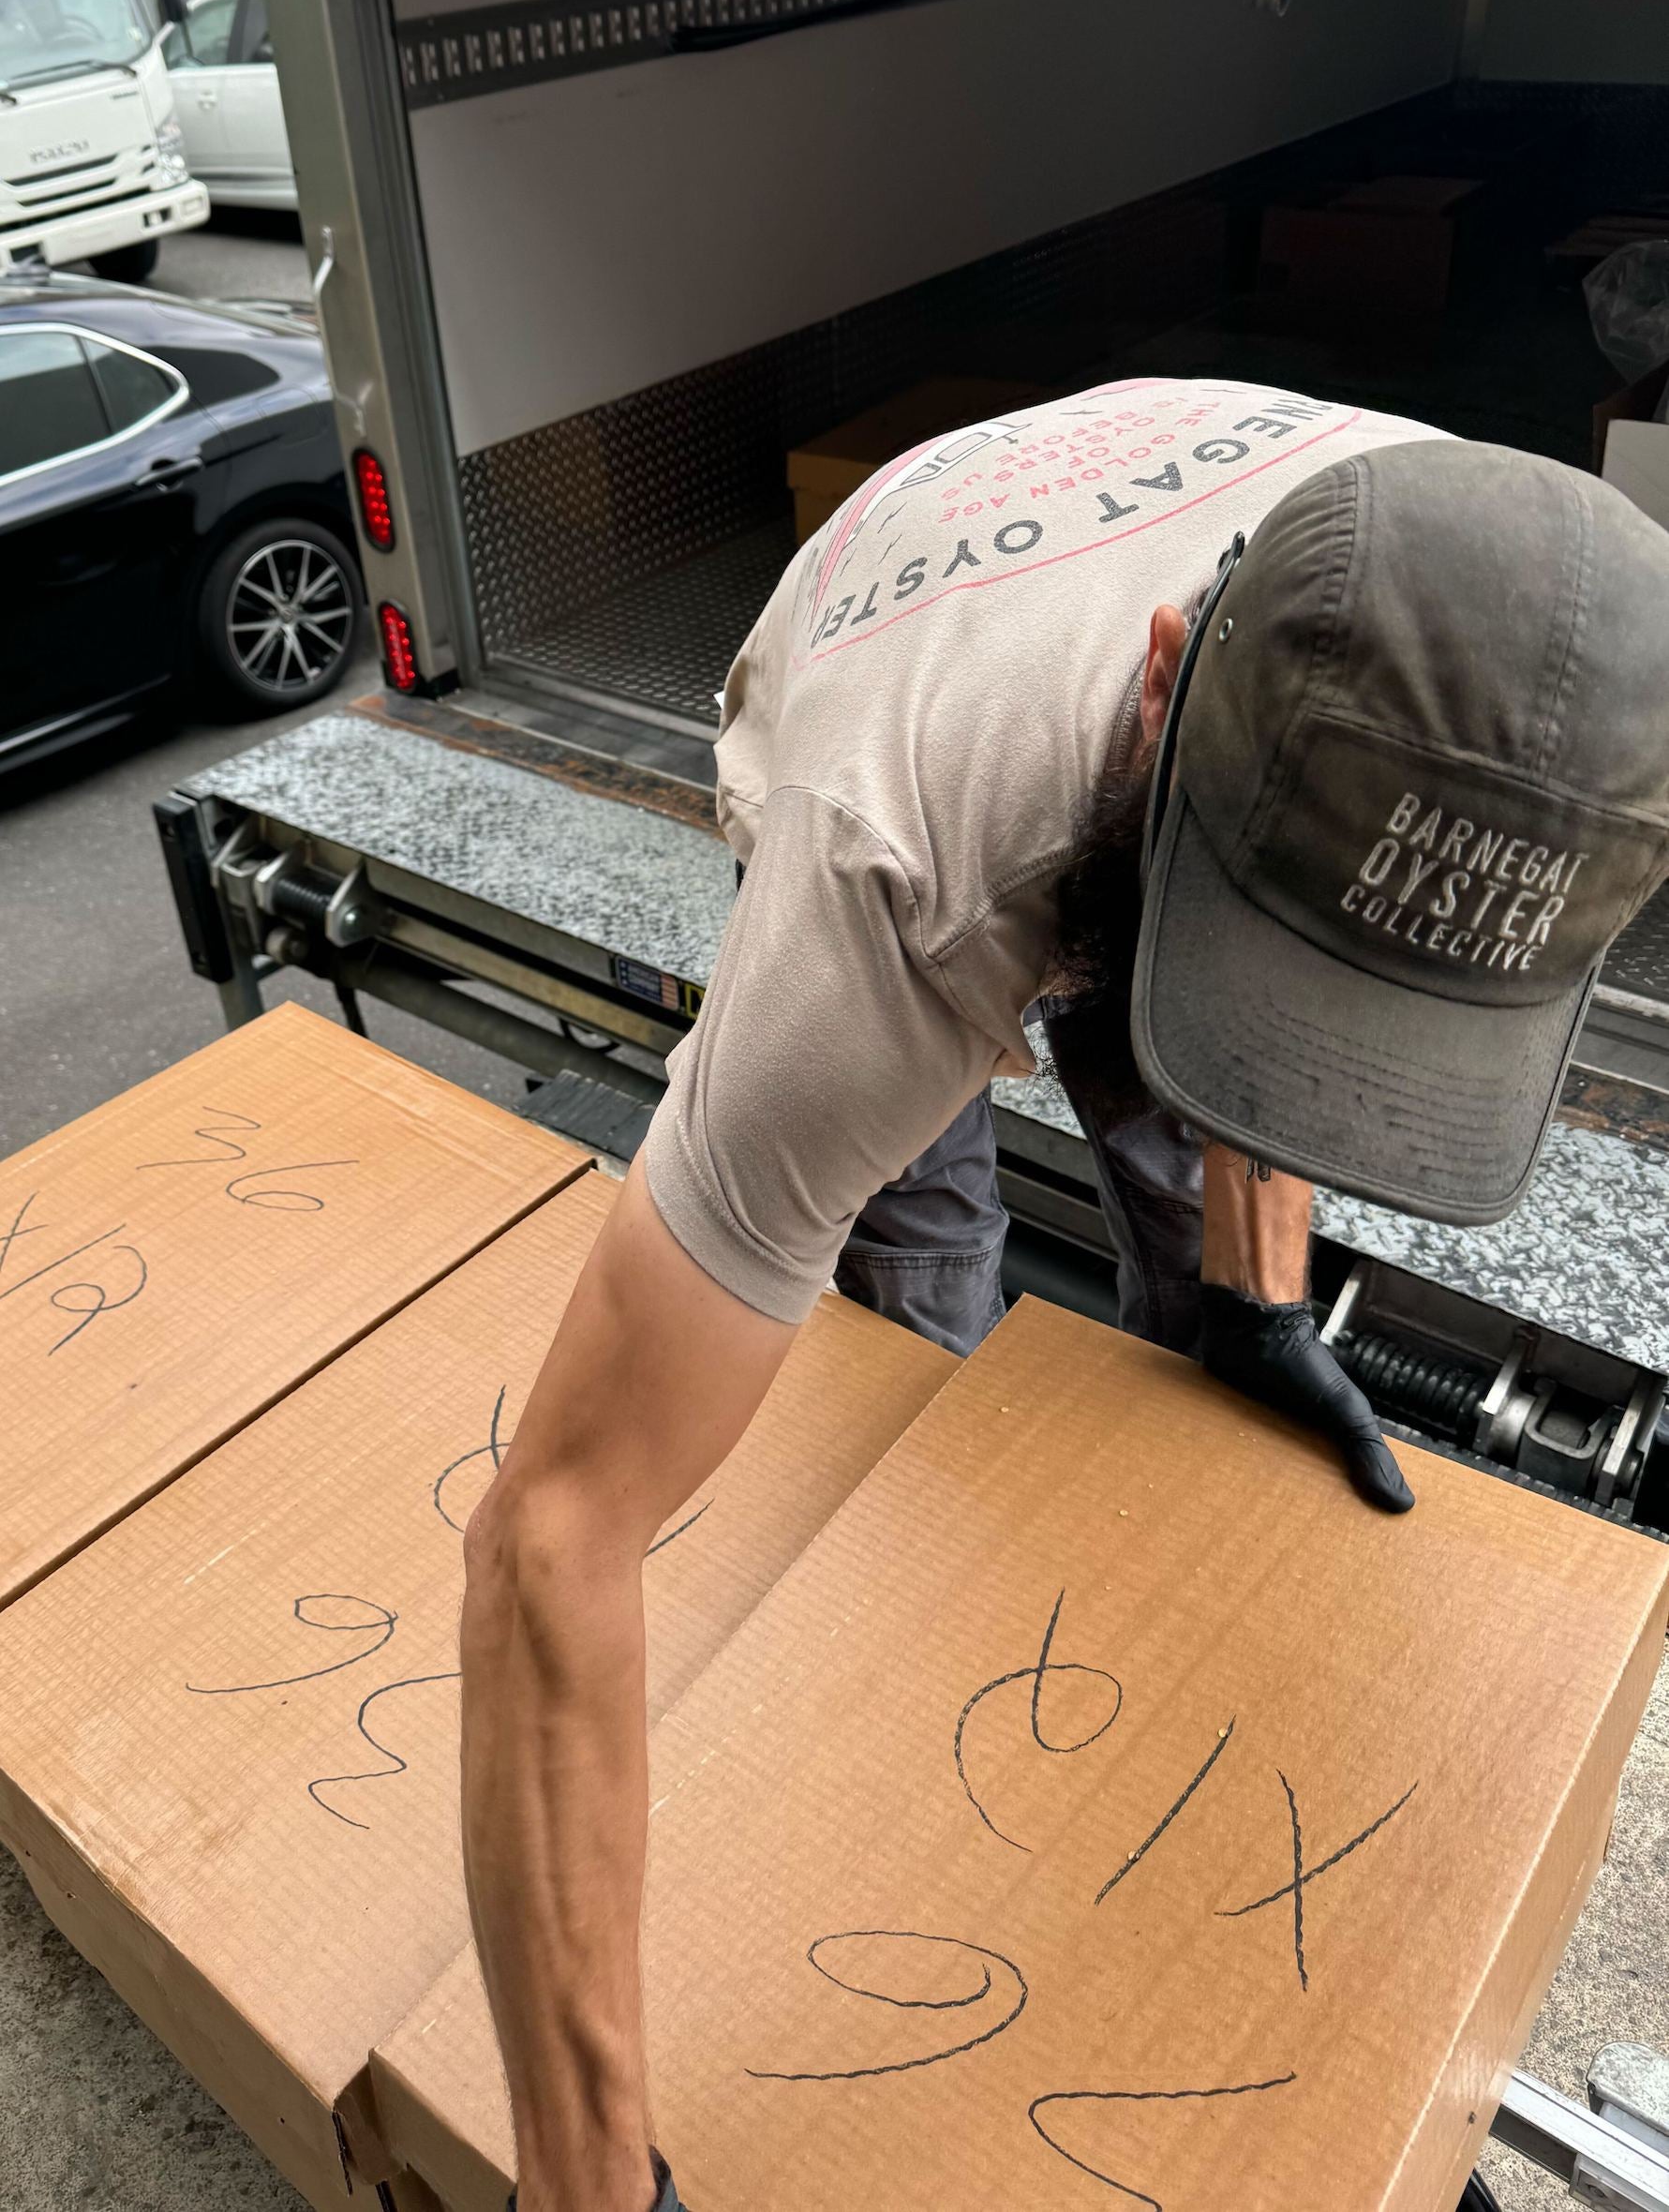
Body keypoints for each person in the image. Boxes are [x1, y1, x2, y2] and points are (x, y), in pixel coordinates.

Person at [458, 378, 1669, 2212]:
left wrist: (1257, 1302)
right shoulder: (897, 878)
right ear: (1176, 669)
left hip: (1140, 715)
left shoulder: (1479, 606)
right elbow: (549, 1535)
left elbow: (1306, 953)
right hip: (889, 652)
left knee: (1197, 1157)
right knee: (918, 1259)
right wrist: (584, 2167)